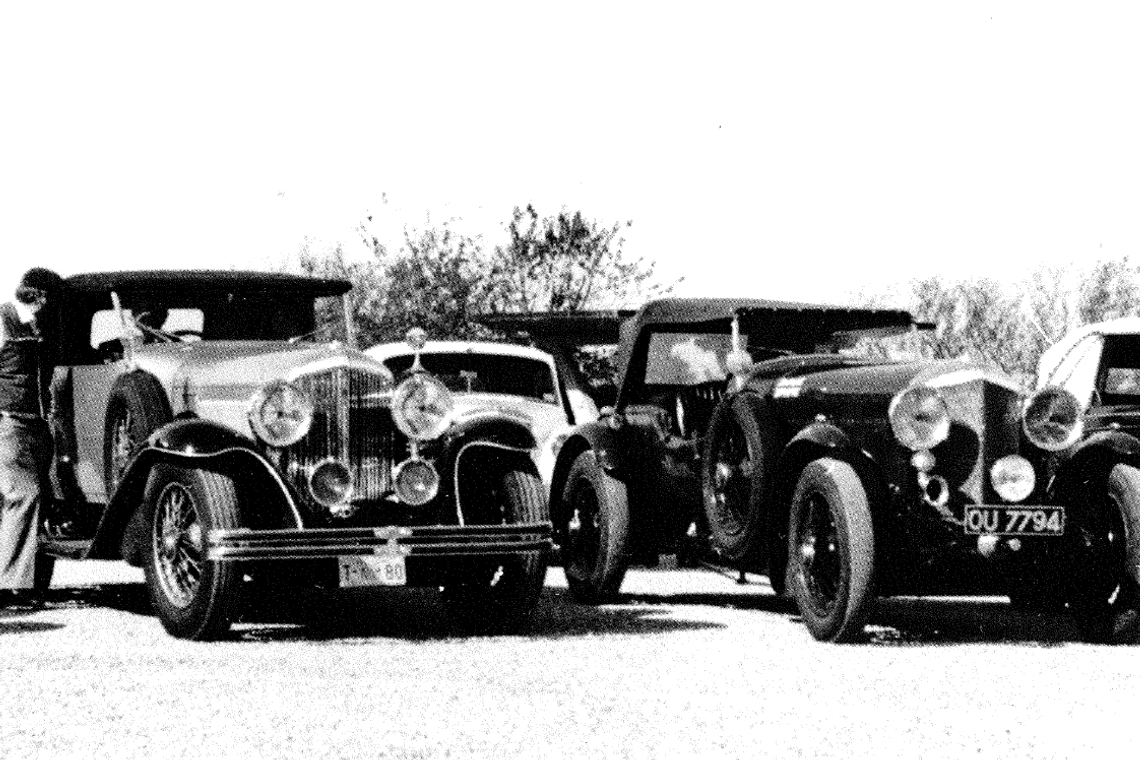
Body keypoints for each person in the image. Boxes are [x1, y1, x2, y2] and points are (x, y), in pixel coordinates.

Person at [0, 267, 63, 608]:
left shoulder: (37, 325)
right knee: (23, 495)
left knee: (32, 499)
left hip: (36, 423)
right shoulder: (3, 319)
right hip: (9, 422)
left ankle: (29, 583)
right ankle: (10, 588)